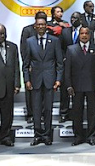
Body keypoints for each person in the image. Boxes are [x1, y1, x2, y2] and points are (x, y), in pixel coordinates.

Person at [23, 16, 63, 146]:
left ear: (46, 26)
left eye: (43, 25)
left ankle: (46, 135)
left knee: (48, 109)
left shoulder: (55, 41)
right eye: (38, 25)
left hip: (49, 80)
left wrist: (58, 79)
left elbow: (59, 63)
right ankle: (37, 134)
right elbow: (25, 64)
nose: (40, 27)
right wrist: (27, 80)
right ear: (35, 27)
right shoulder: (29, 42)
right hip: (35, 80)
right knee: (36, 109)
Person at [63, 26, 95, 146]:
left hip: (92, 85)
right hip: (76, 86)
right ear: (78, 35)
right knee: (77, 112)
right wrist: (68, 85)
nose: (84, 35)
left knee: (92, 112)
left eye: (86, 33)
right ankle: (78, 136)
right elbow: (67, 70)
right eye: (82, 33)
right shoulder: (71, 49)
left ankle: (91, 136)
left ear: (90, 35)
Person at [20, 11, 48, 124]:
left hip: (44, 67)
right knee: (30, 91)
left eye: (44, 19)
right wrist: (28, 65)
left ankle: (41, 114)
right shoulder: (27, 30)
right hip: (32, 66)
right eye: (39, 19)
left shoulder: (47, 30)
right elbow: (23, 48)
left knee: (43, 92)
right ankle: (30, 114)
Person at [58, 11, 82, 123]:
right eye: (72, 18)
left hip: (80, 66)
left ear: (81, 20)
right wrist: (63, 58)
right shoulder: (65, 32)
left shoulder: (85, 32)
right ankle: (64, 112)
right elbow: (60, 48)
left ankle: (76, 113)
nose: (73, 20)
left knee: (78, 91)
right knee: (65, 90)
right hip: (66, 65)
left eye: (76, 18)